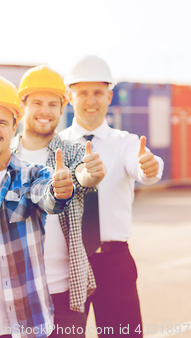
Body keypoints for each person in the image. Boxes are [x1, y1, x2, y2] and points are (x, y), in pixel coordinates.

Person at [0, 75, 75, 338]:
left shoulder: (33, 175)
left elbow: (48, 197)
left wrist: (59, 190)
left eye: (1, 122)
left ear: (14, 125)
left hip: (28, 324)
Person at [59, 55, 164, 337]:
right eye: (82, 92)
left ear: (109, 96)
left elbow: (145, 167)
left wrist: (150, 167)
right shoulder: (56, 147)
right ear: (70, 97)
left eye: (97, 92)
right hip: (67, 262)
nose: (90, 100)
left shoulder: (126, 143)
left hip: (114, 263)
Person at [11, 66, 107, 338]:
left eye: (53, 104)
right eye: (37, 103)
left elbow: (83, 176)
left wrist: (89, 174)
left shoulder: (74, 151)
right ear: (22, 105)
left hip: (65, 290)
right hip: (15, 293)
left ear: (62, 107)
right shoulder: (4, 157)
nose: (46, 110)